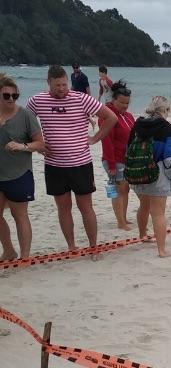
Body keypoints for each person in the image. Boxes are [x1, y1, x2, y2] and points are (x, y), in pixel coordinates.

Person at [26, 65, 117, 257]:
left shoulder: (81, 99)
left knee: (86, 207)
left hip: (80, 164)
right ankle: (71, 246)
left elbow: (111, 117)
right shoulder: (37, 101)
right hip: (54, 166)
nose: (62, 88)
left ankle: (94, 247)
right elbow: (25, 123)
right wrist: (37, 144)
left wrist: (96, 138)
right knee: (63, 207)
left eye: (64, 84)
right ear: (48, 82)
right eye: (57, 85)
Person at [129, 96, 171, 258]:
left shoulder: (138, 124)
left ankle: (142, 235)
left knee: (143, 206)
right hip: (156, 173)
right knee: (158, 212)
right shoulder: (166, 128)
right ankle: (161, 250)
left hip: (137, 170)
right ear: (165, 110)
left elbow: (128, 147)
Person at [0, 74, 45, 260]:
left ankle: (25, 256)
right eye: (6, 96)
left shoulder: (25, 115)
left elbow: (40, 144)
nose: (11, 99)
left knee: (20, 215)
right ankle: (9, 250)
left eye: (14, 96)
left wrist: (22, 146)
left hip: (19, 174)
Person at [99, 80, 135, 230]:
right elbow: (106, 142)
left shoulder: (128, 116)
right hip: (113, 159)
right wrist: (112, 164)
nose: (125, 106)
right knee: (118, 189)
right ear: (113, 100)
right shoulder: (107, 116)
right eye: (122, 102)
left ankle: (124, 218)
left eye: (127, 103)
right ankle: (120, 222)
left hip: (126, 159)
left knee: (125, 188)